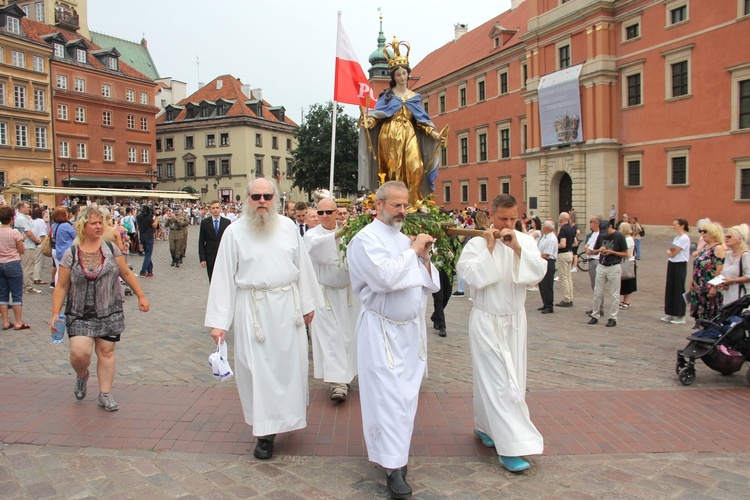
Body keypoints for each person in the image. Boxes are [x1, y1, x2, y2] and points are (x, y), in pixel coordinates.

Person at [205, 178, 323, 461]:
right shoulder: (234, 232)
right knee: (255, 371)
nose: (261, 201)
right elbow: (222, 276)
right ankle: (264, 434)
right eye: (255, 196)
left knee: (288, 368)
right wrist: (219, 321)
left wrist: (308, 302)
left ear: (275, 198)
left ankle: (288, 418)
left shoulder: (288, 227)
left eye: (267, 196)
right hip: (252, 309)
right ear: (246, 199)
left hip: (287, 308)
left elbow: (303, 267)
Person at [347, 181, 439, 497]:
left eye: (405, 206)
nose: (402, 211)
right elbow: (384, 278)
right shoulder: (364, 241)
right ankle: (393, 468)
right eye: (396, 205)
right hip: (380, 331)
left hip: (409, 331)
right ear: (378, 205)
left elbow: (428, 283)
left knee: (405, 397)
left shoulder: (404, 240)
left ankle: (396, 454)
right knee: (385, 399)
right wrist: (413, 252)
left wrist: (425, 259)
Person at [456, 194, 546, 473]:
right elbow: (471, 276)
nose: (508, 224)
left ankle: (485, 426)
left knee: (513, 379)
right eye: (502, 218)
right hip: (486, 320)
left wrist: (517, 249)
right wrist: (491, 248)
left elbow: (537, 273)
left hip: (515, 321)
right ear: (491, 215)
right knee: (497, 382)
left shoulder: (526, 241)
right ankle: (511, 446)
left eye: (512, 218)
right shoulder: (476, 243)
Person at [50, 207, 149, 411]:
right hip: (79, 313)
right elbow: (61, 285)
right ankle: (82, 374)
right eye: (93, 223)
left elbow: (127, 274)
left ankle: (105, 394)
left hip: (109, 310)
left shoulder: (111, 249)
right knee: (80, 353)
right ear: (82, 226)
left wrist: (141, 295)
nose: (98, 226)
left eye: (100, 222)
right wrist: (55, 314)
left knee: (106, 351)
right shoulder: (71, 253)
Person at [359, 38, 443, 208]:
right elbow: (377, 114)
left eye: (404, 73)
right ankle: (393, 204)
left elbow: (421, 120)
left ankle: (414, 201)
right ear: (393, 77)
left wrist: (434, 133)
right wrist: (369, 120)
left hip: (409, 134)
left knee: (416, 166)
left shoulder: (414, 97)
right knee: (392, 171)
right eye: (398, 74)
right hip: (389, 135)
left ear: (408, 74)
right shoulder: (387, 96)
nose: (402, 77)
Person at [303, 198, 360, 401]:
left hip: (348, 294)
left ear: (337, 213)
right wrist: (338, 235)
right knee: (331, 338)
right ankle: (337, 384)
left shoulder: (350, 232)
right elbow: (318, 249)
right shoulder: (312, 235)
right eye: (320, 213)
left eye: (329, 212)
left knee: (348, 336)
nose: (325, 216)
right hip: (324, 296)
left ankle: (346, 376)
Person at [587, 221, 628, 327]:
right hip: (602, 265)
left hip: (614, 266)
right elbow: (593, 251)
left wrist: (612, 252)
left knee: (614, 294)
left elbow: (626, 253)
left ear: (611, 227)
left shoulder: (619, 236)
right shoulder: (601, 236)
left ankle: (613, 317)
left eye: (606, 231)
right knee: (597, 292)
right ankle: (595, 315)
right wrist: (599, 250)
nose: (605, 234)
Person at [688, 222, 725, 329]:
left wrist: (714, 287)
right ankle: (700, 334)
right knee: (699, 314)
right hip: (699, 286)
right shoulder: (705, 247)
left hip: (709, 288)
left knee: (709, 314)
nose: (702, 234)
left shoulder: (718, 248)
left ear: (713, 233)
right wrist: (692, 281)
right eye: (701, 231)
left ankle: (707, 335)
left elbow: (720, 269)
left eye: (705, 231)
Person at [0, 206, 28, 330]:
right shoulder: (15, 233)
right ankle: (18, 322)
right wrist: (22, 239)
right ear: (12, 219)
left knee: (2, 294)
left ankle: (6, 321)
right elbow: (22, 250)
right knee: (16, 294)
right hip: (13, 263)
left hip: (0, 263)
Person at [663, 218, 691, 325]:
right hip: (672, 263)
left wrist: (669, 252)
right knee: (671, 287)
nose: (673, 226)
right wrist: (669, 252)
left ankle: (681, 315)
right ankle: (671, 313)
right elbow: (671, 252)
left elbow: (673, 252)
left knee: (679, 288)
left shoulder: (684, 238)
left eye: (675, 224)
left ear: (682, 225)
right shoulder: (677, 238)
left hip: (680, 264)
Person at [716, 224, 750, 303]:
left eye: (729, 237)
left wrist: (732, 281)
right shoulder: (728, 254)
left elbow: (749, 275)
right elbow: (724, 273)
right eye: (726, 236)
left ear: (739, 239)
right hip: (729, 295)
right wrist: (721, 282)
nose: (726, 239)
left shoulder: (746, 255)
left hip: (742, 297)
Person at [198, 200, 230, 282]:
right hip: (210, 256)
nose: (215, 210)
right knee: (212, 280)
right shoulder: (205, 222)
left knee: (223, 279)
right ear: (210, 210)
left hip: (223, 256)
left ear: (220, 209)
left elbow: (229, 241)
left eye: (217, 208)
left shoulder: (227, 222)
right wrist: (202, 258)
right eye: (213, 208)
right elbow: (201, 241)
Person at [14, 202, 42, 294]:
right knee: (28, 267)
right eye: (27, 207)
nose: (29, 209)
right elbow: (28, 232)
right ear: (21, 208)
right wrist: (36, 240)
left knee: (25, 266)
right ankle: (28, 287)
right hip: (28, 245)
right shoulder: (22, 219)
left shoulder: (20, 218)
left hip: (25, 245)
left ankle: (25, 285)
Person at [51, 206, 77, 286]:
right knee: (66, 271)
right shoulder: (66, 225)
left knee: (58, 270)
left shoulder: (54, 225)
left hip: (57, 249)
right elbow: (76, 235)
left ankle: (57, 285)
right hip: (66, 250)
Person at [537, 220, 557, 314]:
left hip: (548, 261)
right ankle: (545, 303)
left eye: (544, 225)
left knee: (547, 284)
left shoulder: (551, 239)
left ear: (547, 228)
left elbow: (546, 254)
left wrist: (535, 256)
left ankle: (549, 305)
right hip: (542, 261)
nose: (542, 226)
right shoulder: (544, 237)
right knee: (542, 284)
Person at [556, 212, 575, 307]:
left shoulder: (563, 229)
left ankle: (566, 299)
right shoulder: (571, 228)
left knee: (563, 277)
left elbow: (562, 244)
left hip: (563, 253)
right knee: (568, 277)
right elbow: (575, 242)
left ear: (561, 220)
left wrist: (554, 246)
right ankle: (570, 297)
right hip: (570, 253)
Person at [618, 222, 637, 309]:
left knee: (628, 281)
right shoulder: (625, 238)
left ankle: (627, 301)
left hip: (628, 262)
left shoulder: (629, 240)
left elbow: (628, 254)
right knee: (624, 282)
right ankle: (624, 300)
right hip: (624, 262)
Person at [136, 205, 157, 277]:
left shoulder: (138, 217)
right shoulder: (149, 217)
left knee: (147, 254)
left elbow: (138, 226)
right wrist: (156, 219)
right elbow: (154, 225)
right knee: (148, 255)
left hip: (142, 236)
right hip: (149, 237)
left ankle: (150, 271)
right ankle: (143, 271)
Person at [30, 207, 49, 285]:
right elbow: (42, 234)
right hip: (40, 243)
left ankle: (34, 277)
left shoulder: (31, 221)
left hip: (32, 243)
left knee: (34, 262)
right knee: (39, 262)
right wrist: (45, 243)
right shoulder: (41, 221)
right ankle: (37, 278)